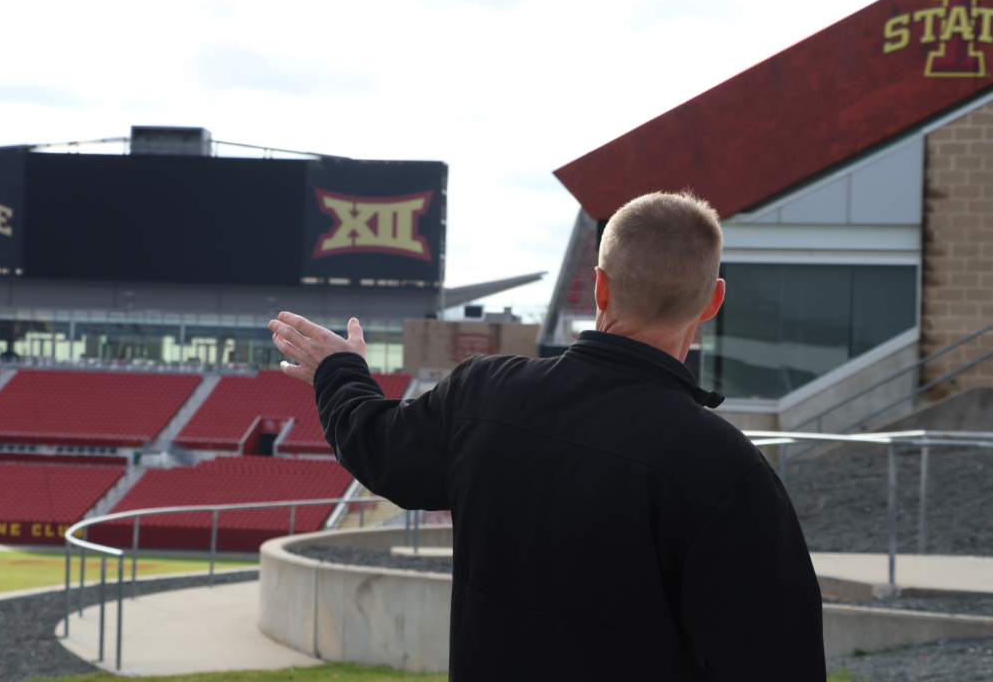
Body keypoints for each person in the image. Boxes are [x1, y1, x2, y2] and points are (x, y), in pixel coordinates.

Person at [268, 191, 825, 680]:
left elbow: (378, 446)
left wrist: (339, 371)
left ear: (599, 288)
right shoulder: (728, 470)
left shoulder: (483, 392)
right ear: (712, 300)